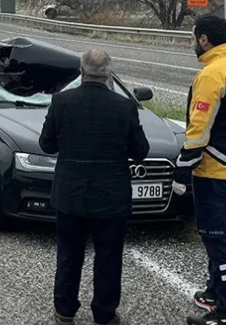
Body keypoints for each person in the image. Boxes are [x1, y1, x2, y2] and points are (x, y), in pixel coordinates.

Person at [38, 49, 150, 325]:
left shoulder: (61, 102)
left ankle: (64, 311)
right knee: (109, 258)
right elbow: (141, 151)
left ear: (82, 72)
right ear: (109, 74)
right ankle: (104, 312)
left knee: (69, 254)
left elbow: (47, 144)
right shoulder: (124, 106)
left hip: (70, 193)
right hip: (111, 195)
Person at [174, 14, 226, 325]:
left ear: (205, 39)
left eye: (193, 38)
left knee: (219, 241)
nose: (191, 43)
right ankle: (214, 293)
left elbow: (199, 130)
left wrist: (181, 169)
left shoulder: (211, 75)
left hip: (216, 171)